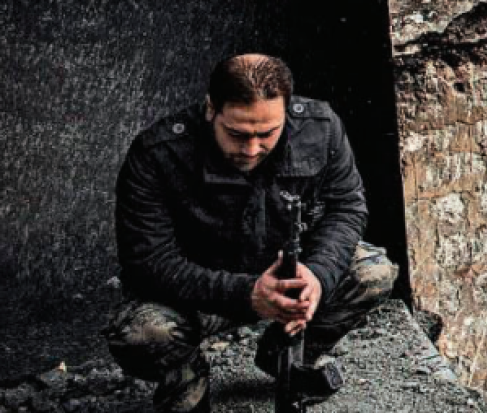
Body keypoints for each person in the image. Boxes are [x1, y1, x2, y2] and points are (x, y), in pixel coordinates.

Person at [108, 54, 397, 412]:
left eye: (267, 133)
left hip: (287, 276)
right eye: (237, 134)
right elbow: (148, 261)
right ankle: (187, 385)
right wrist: (247, 293)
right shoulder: (157, 154)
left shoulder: (321, 127)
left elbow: (347, 207)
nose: (252, 149)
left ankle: (283, 355)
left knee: (373, 271)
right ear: (211, 108)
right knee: (143, 333)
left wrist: (317, 276)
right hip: (201, 292)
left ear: (287, 111)